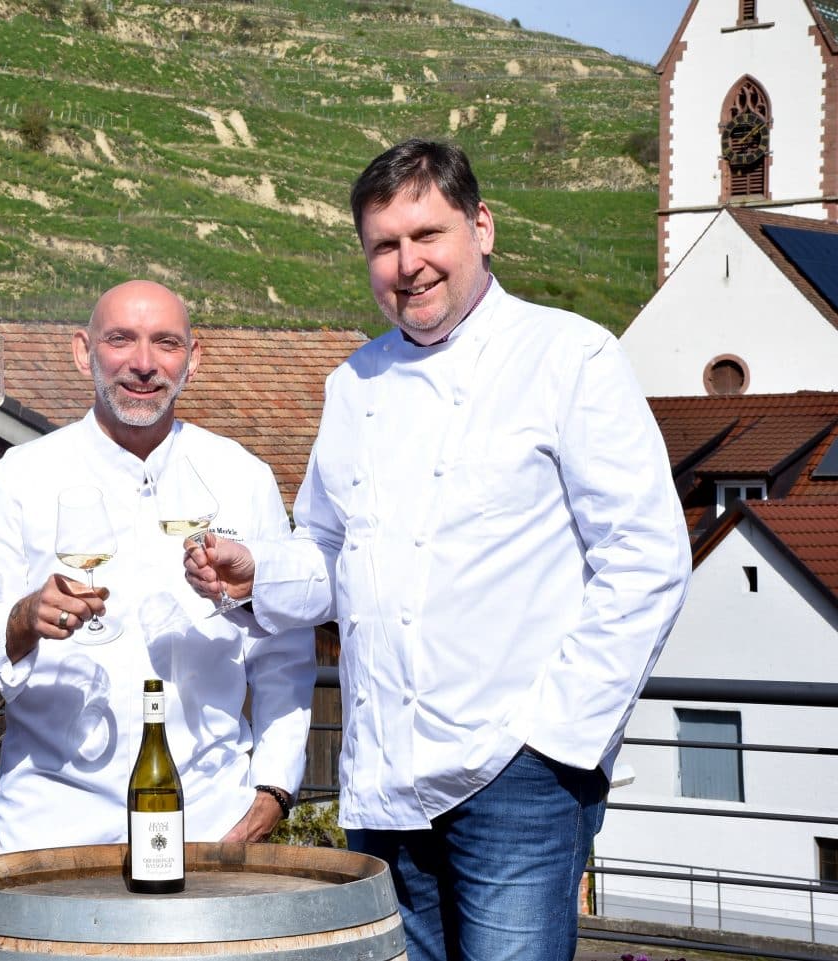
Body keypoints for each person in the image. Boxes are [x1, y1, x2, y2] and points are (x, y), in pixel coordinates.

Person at [184, 140, 691, 961]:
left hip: (517, 774)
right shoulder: (354, 385)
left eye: (428, 235)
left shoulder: (570, 356)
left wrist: (556, 737)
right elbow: (329, 552)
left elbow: (647, 559)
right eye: (385, 245)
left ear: (481, 227)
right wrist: (256, 571)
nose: (408, 264)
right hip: (384, 777)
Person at [0, 279, 315, 854]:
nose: (143, 364)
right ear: (83, 351)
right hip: (53, 829)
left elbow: (283, 652)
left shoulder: (242, 476)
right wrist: (20, 621)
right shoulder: (22, 477)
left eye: (165, 343)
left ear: (194, 358)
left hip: (207, 827)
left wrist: (275, 787)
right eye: (120, 340)